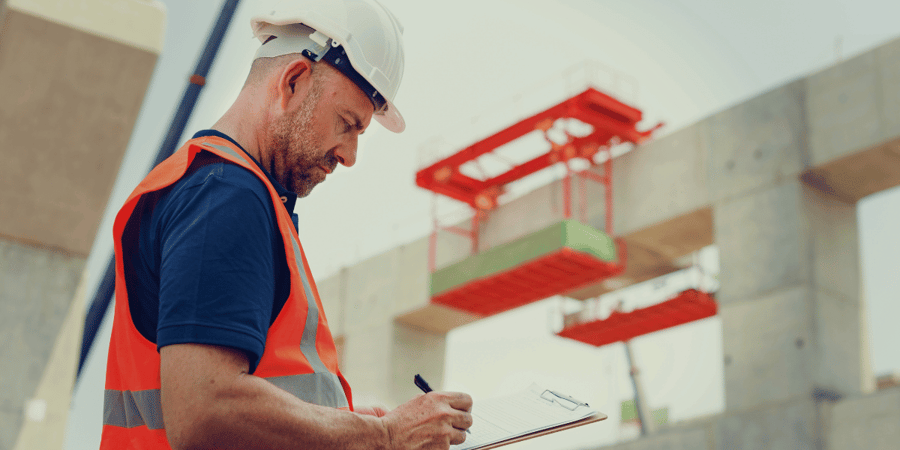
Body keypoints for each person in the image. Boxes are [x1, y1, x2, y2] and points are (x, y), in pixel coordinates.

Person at [99, 1, 473, 449]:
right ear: (293, 82)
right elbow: (206, 411)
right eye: (347, 124)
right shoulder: (226, 197)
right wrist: (385, 435)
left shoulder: (209, 186)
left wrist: (340, 421)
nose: (349, 155)